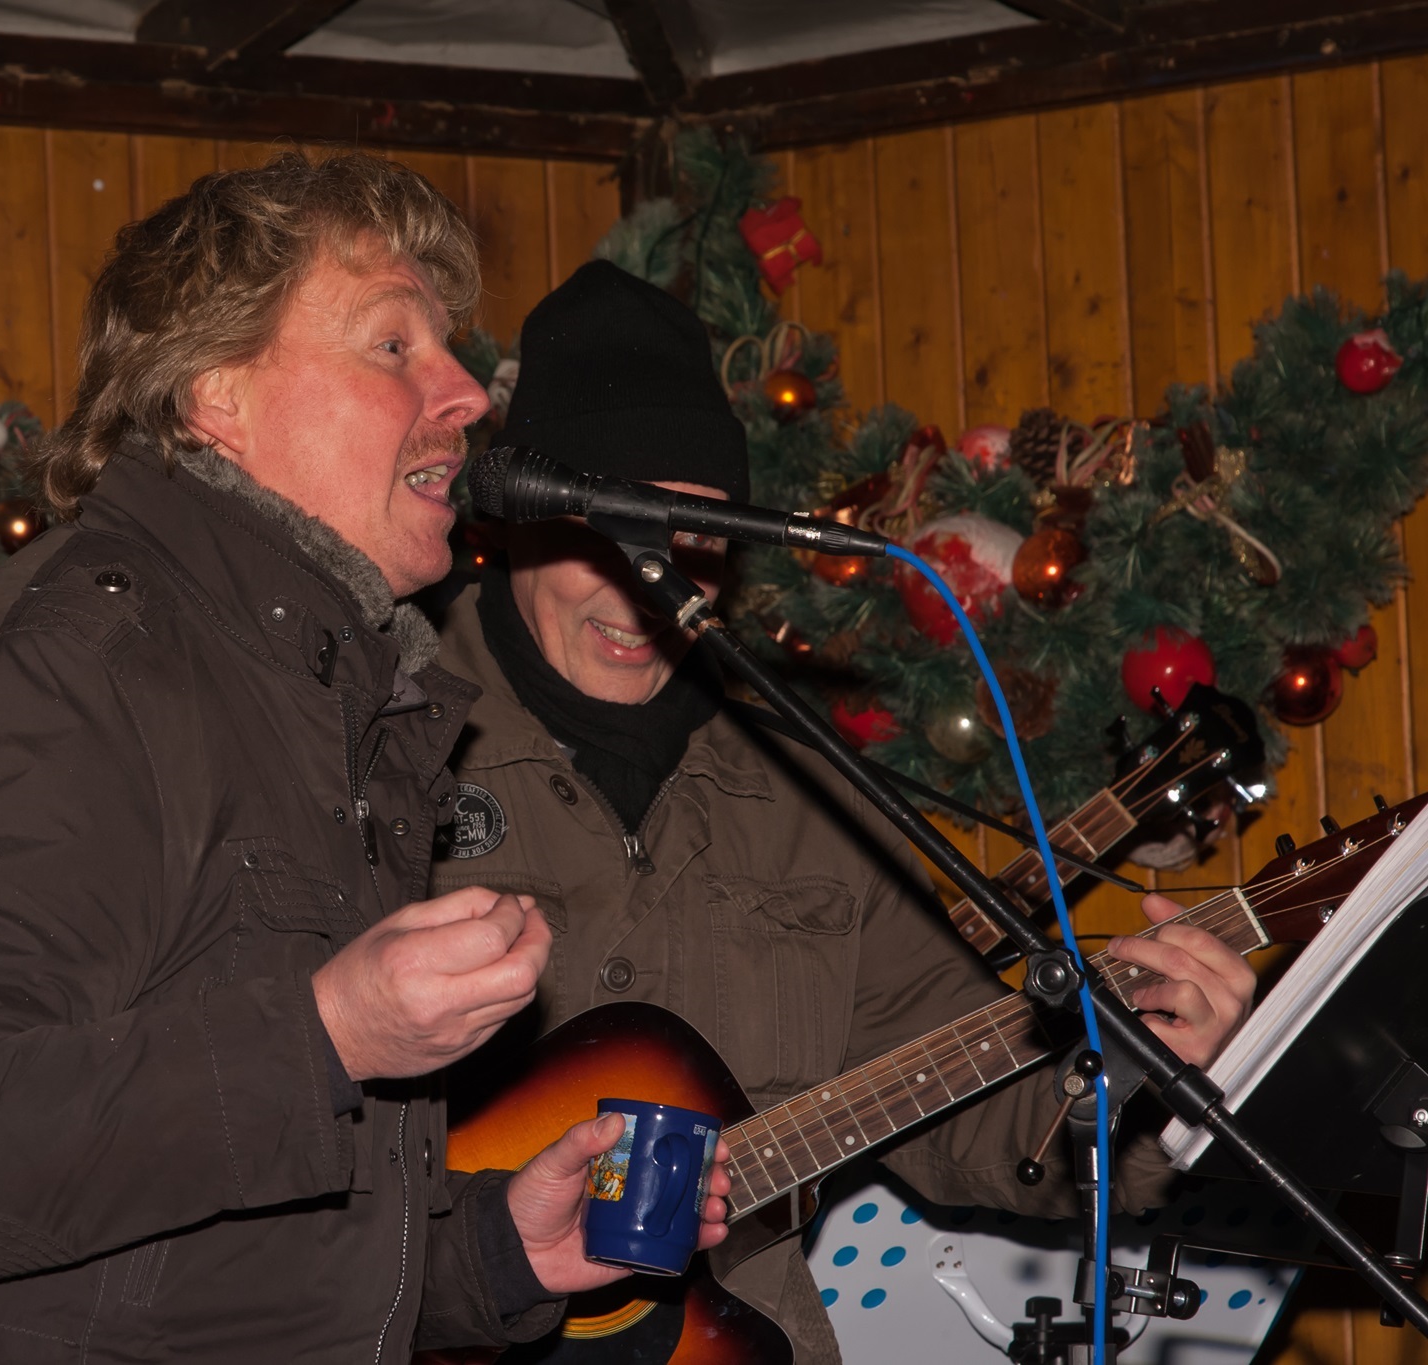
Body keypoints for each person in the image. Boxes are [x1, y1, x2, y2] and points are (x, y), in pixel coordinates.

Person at [0, 156, 725, 1365]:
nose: (467, 394)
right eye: (392, 346)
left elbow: (200, 1252)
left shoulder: (314, 705)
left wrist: (492, 1253)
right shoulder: (52, 684)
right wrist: (324, 1035)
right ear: (215, 393)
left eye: (449, 352)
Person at [428, 260, 1257, 1362]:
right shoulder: (381, 737)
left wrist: (1148, 1091)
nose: (652, 579)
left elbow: (989, 1116)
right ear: (527, 519)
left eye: (698, 535)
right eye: (613, 528)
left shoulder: (812, 793)